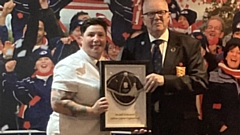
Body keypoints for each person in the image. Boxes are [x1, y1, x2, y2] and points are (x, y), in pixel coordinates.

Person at [121, 0, 208, 134]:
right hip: (145, 125)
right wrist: (129, 121)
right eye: (150, 13)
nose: (156, 17)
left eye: (161, 12)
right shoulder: (132, 46)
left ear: (168, 15)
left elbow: (200, 81)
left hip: (181, 125)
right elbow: (124, 85)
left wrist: (165, 81)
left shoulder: (189, 44)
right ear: (143, 19)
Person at [46, 18, 109, 135]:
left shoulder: (109, 66)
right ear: (81, 38)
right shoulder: (69, 65)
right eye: (91, 35)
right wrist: (91, 111)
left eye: (100, 35)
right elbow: (57, 103)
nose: (96, 39)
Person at [3, 48, 54, 133]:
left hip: (58, 126)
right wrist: (9, 73)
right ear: (35, 65)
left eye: (46, 59)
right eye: (39, 59)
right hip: (34, 128)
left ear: (52, 63)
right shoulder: (27, 83)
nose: (43, 62)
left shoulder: (60, 80)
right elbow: (12, 92)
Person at [202, 38, 240, 135]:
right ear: (226, 55)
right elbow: (207, 107)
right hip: (224, 131)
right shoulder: (214, 77)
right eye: (231, 51)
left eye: (239, 53)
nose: (234, 55)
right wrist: (220, 126)